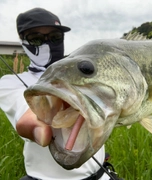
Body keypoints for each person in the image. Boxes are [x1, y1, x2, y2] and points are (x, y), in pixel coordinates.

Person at [0, 8, 117, 180]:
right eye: (36, 39)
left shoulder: (90, 74)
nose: (48, 43)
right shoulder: (10, 83)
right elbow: (26, 113)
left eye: (55, 37)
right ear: (22, 41)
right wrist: (35, 123)